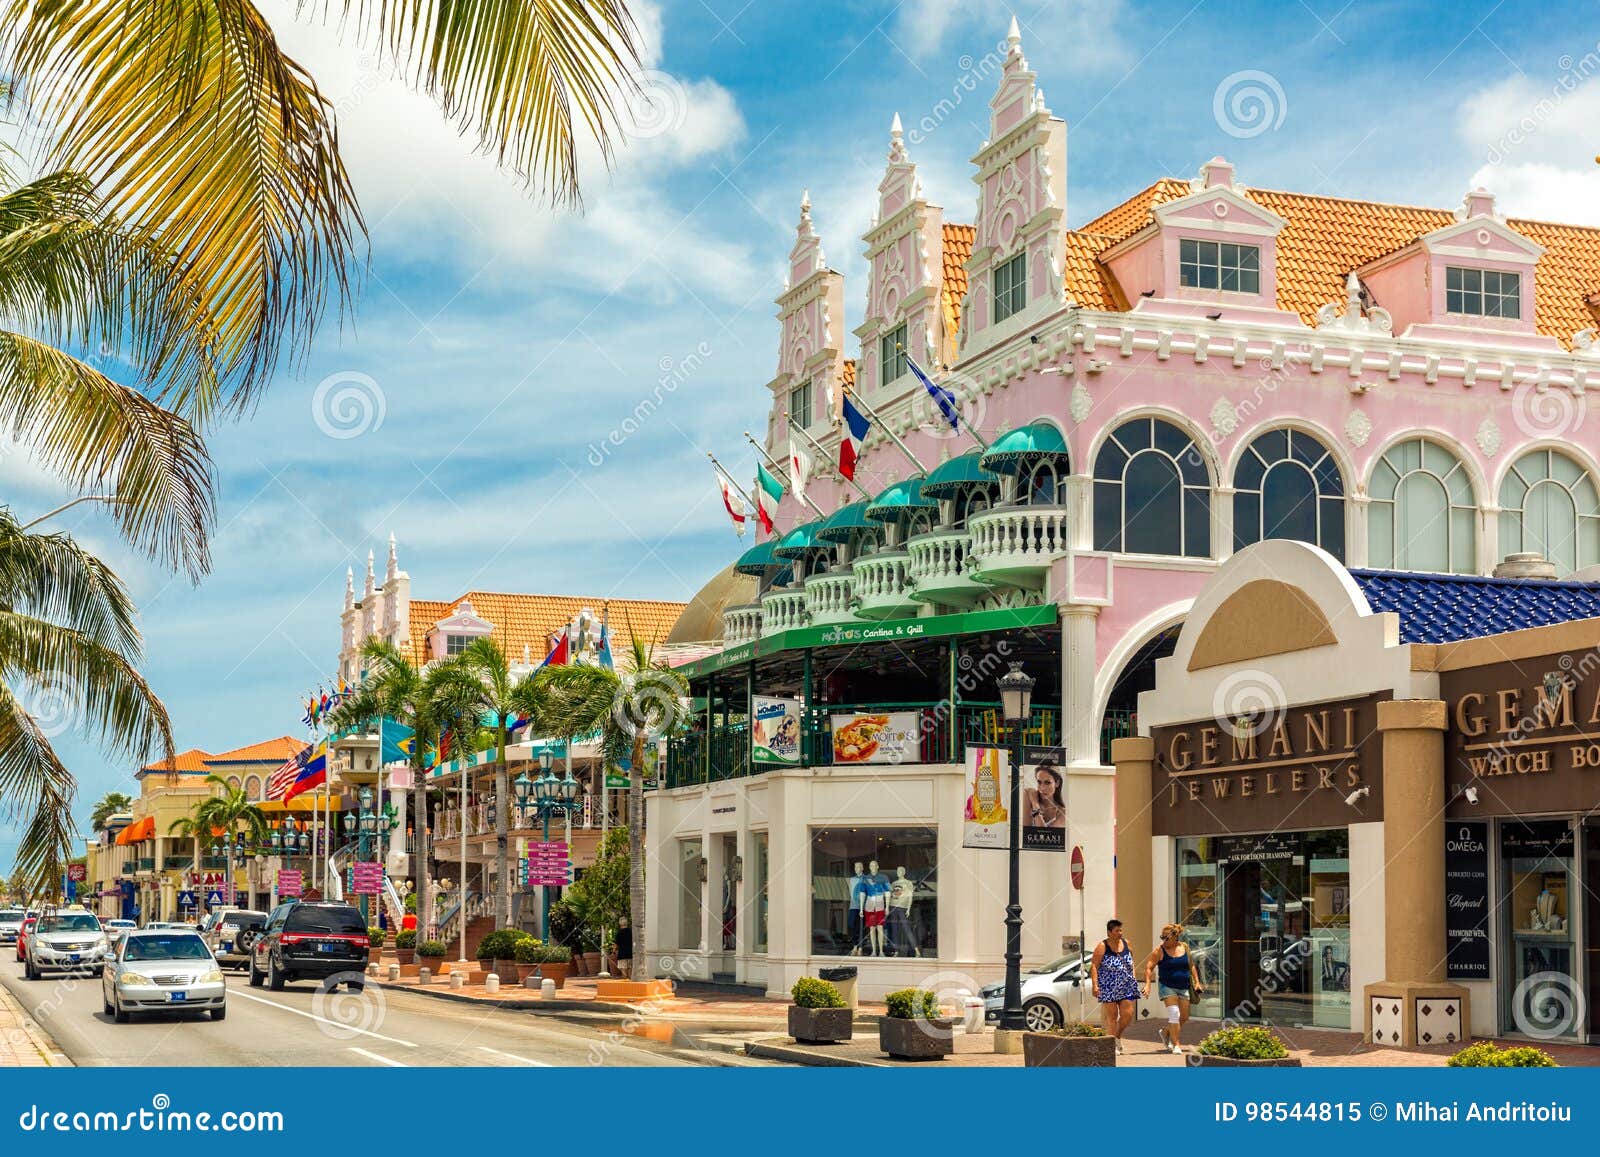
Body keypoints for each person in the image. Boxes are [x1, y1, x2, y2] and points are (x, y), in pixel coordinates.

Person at [1143, 923, 1201, 1054]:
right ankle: (1176, 1044)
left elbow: (1191, 965)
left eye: (1166, 938)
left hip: (1184, 986)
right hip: (1167, 986)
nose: (1163, 940)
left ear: (1175, 937)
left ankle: (1166, 1031)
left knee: (1184, 1016)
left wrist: (1197, 982)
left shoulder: (1184, 947)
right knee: (1174, 1013)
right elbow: (1148, 967)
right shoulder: (1159, 950)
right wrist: (1147, 984)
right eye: (1162, 937)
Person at [1090, 918, 1140, 1052]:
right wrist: (1095, 985)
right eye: (1117, 930)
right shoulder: (1102, 946)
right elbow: (1094, 966)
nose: (1120, 933)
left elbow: (1131, 962)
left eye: (1121, 930)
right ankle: (1111, 1046)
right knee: (1112, 1016)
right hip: (1108, 985)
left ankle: (1116, 1036)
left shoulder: (1126, 943)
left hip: (1126, 984)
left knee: (1128, 1014)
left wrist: (1133, 976)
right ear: (1109, 932)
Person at [1023, 763, 1066, 828]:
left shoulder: (1063, 812)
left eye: (1047, 783)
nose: (1042, 788)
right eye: (1039, 782)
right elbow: (1026, 832)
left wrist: (1035, 804)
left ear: (1057, 783)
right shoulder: (1028, 794)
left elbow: (1044, 834)